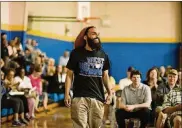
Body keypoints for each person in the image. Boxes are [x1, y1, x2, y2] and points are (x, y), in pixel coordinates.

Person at [64, 26, 112, 128]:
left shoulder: (103, 55)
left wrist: (110, 93)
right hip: (79, 97)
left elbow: (105, 75)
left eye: (98, 34)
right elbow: (69, 75)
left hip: (98, 97)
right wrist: (67, 93)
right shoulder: (76, 53)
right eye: (93, 33)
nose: (96, 36)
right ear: (85, 37)